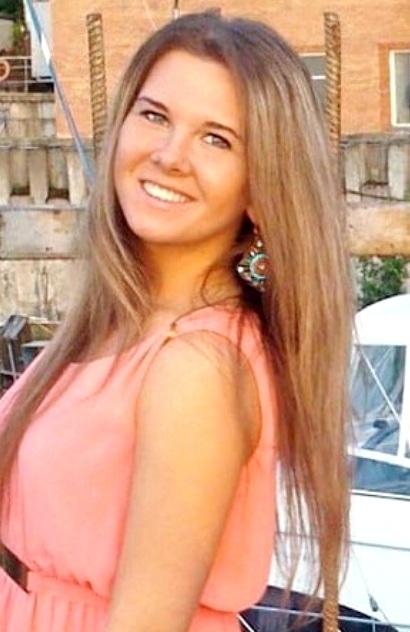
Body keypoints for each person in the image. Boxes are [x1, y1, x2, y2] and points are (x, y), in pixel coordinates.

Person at [0, 10, 352, 632]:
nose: (168, 156)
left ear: (261, 188)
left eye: (217, 139)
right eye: (155, 115)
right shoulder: (123, 321)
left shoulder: (198, 367)